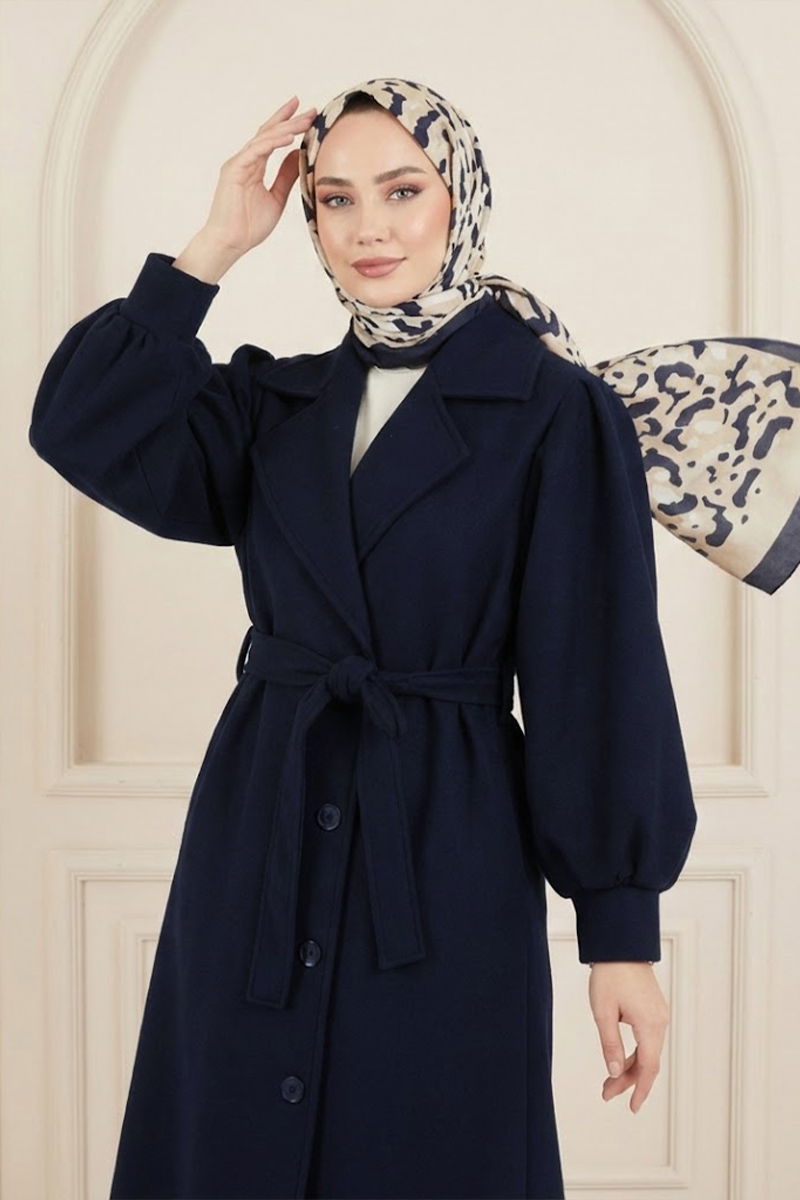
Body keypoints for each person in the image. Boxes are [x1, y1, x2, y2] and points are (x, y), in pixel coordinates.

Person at [28, 79, 705, 1200]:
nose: (368, 228)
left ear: (459, 200)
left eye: (402, 190)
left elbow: (598, 674)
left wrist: (619, 933)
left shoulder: (552, 409)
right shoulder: (272, 406)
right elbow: (80, 424)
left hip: (443, 848)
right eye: (335, 199)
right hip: (259, 836)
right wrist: (209, 248)